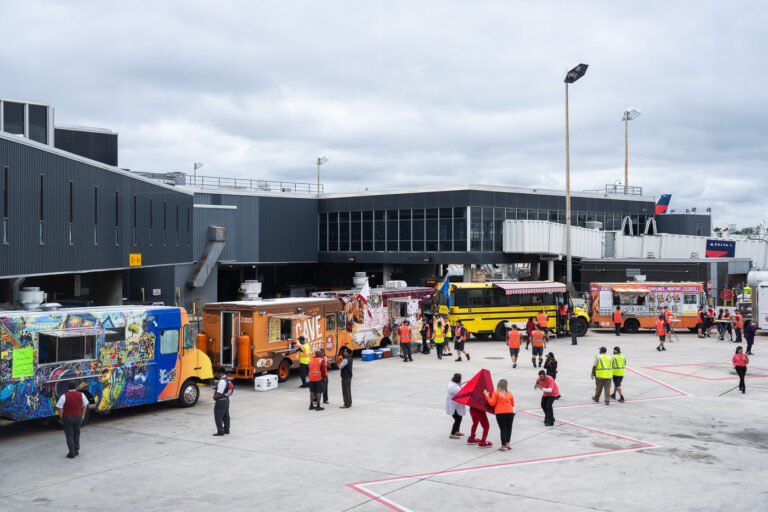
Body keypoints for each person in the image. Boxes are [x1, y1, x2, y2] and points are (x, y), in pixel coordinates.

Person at [56, 381, 89, 458]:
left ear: (68, 387)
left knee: (69, 435)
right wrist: (83, 415)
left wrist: (61, 417)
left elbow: (60, 407)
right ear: (76, 387)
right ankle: (76, 449)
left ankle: (71, 452)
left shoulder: (64, 396)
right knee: (77, 433)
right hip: (78, 417)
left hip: (67, 418)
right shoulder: (82, 394)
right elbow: (85, 405)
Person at [484, 379, 514, 451]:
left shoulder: (496, 393)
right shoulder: (509, 393)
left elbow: (492, 403)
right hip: (510, 412)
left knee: (503, 429)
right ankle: (507, 443)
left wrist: (487, 396)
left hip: (500, 413)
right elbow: (512, 404)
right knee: (509, 428)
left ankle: (503, 446)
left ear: (498, 385)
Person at [445, 373, 466, 439]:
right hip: (452, 405)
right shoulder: (454, 387)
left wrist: (466, 382)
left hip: (453, 404)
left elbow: (459, 383)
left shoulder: (452, 383)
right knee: (458, 419)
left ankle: (457, 431)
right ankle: (452, 434)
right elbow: (463, 393)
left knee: (459, 417)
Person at [212, 367, 231, 435]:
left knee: (218, 416)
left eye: (216, 373)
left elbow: (219, 393)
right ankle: (226, 429)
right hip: (226, 399)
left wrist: (214, 397)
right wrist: (216, 388)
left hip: (220, 401)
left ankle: (220, 431)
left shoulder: (222, 381)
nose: (215, 375)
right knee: (226, 415)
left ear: (219, 373)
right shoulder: (227, 379)